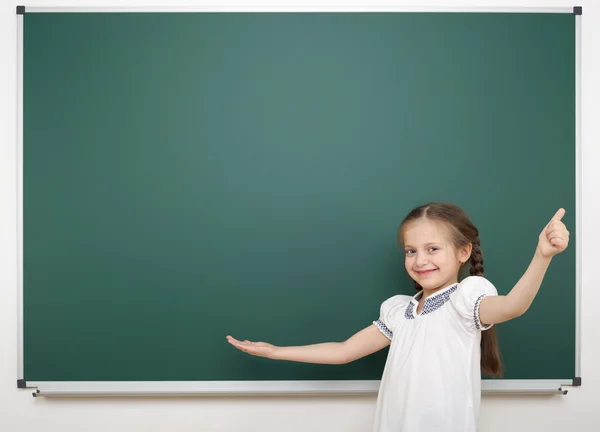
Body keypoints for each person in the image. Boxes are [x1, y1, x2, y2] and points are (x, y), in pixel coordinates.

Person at [226, 202, 570, 432]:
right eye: (411, 251)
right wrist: (276, 351)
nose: (421, 260)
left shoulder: (467, 296)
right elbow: (344, 350)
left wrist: (543, 256)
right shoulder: (399, 310)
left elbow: (512, 306)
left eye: (433, 249)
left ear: (463, 252)